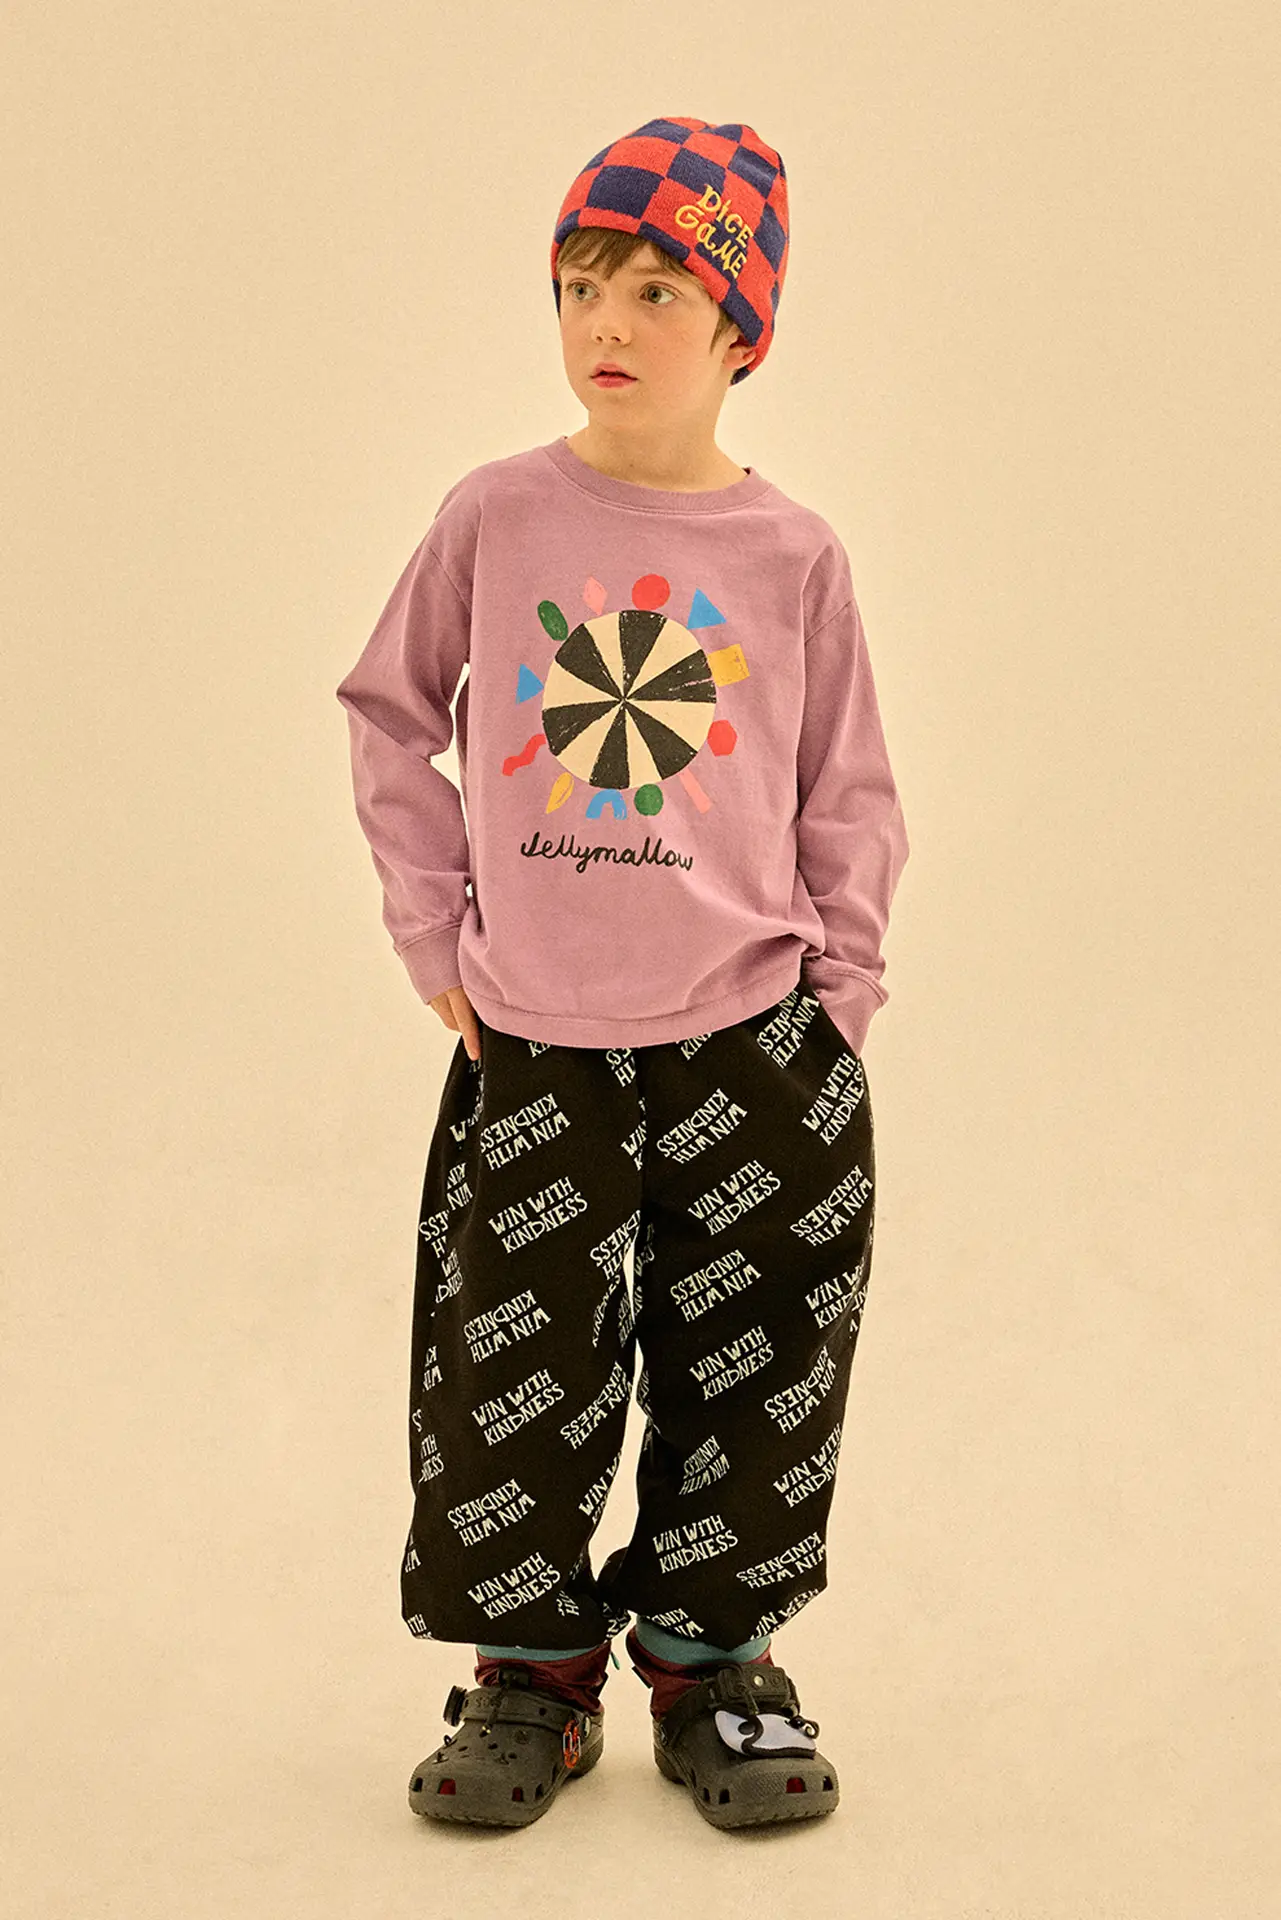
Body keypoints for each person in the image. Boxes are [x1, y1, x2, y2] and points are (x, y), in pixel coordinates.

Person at [334, 115, 910, 1823]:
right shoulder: (499, 516)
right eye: (583, 282)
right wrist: (433, 926)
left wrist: (839, 1005)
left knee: (760, 1359)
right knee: (508, 1377)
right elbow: (387, 712)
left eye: (660, 288)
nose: (610, 318)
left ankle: (716, 1662)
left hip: (758, 1042)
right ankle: (529, 1676)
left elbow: (849, 790)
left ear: (741, 330)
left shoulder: (794, 557)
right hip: (534, 1046)